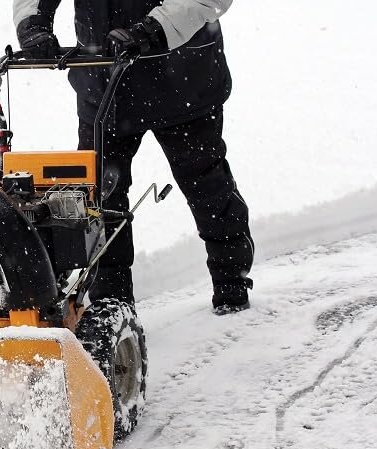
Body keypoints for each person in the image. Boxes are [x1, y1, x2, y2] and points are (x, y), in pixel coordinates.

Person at [14, 0, 255, 314]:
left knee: (206, 186)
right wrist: (34, 25)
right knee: (99, 200)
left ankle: (231, 286)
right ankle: (112, 309)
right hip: (103, 86)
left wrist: (154, 28)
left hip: (182, 80)